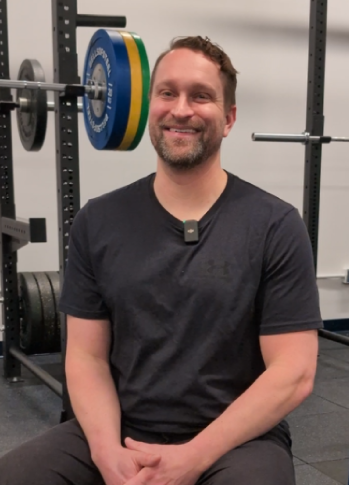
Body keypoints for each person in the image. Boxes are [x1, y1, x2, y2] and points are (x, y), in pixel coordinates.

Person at [0, 36, 322, 485]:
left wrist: (190, 458)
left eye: (201, 96)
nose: (181, 109)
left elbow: (294, 372)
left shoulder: (275, 225)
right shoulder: (98, 220)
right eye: (167, 93)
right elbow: (86, 358)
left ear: (228, 118)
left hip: (235, 441)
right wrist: (107, 453)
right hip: (120, 433)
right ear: (150, 106)